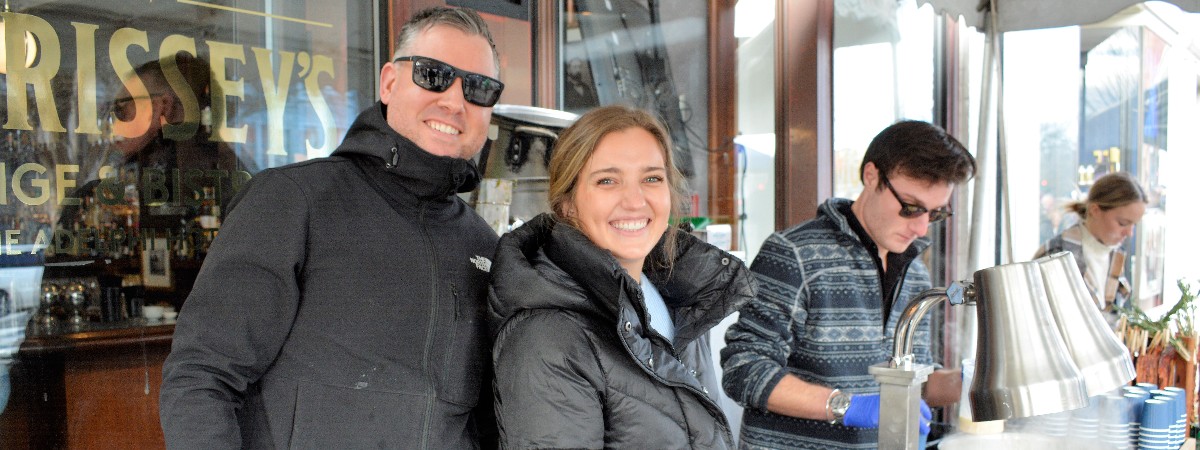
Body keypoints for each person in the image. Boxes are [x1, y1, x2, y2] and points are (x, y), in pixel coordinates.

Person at [159, 6, 504, 448]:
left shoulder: (484, 249)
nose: (455, 102)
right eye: (433, 75)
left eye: (478, 88)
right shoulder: (293, 202)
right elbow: (201, 378)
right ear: (389, 82)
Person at [488, 105, 757, 448]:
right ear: (567, 204)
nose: (634, 201)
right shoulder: (547, 338)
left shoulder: (680, 301)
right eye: (607, 181)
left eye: (651, 178)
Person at [721, 120, 976, 449]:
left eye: (935, 213)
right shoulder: (795, 254)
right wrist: (846, 406)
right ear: (871, 176)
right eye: (910, 208)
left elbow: (912, 382)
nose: (922, 228)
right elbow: (743, 369)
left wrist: (970, 380)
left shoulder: (915, 273)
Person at [1034, 171, 1146, 318]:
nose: (1129, 233)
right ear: (1095, 210)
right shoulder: (1055, 256)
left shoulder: (1114, 254)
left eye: (1134, 225)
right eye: (1123, 223)